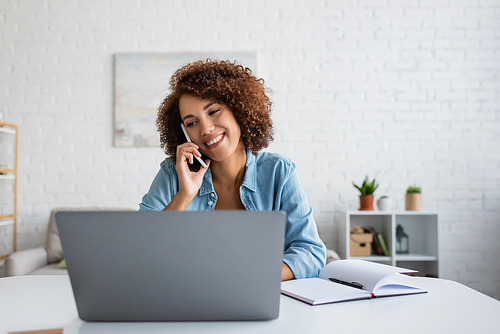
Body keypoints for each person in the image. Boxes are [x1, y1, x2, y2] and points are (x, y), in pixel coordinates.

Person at [139, 59, 326, 280]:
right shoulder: (173, 174)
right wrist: (185, 195)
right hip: (188, 300)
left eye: (214, 111)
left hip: (260, 300)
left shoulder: (279, 172)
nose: (206, 129)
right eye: (191, 123)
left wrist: (252, 276)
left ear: (238, 109)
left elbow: (310, 253)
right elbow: (142, 249)